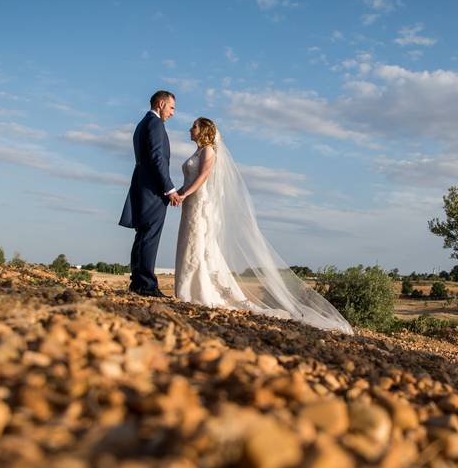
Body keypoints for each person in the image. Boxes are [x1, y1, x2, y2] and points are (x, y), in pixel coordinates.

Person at [173, 117, 353, 334]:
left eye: (194, 126)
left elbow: (203, 177)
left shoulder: (208, 151)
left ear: (204, 130)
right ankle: (187, 288)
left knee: (198, 243)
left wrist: (184, 193)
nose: (190, 129)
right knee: (189, 241)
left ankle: (196, 291)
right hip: (191, 203)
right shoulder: (198, 152)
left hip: (199, 202)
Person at [118, 90, 182, 297]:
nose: (172, 113)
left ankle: (137, 282)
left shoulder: (142, 123)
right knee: (150, 236)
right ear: (161, 104)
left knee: (143, 234)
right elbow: (157, 158)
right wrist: (169, 188)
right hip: (153, 189)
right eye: (172, 107)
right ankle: (146, 285)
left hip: (143, 185)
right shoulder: (155, 124)